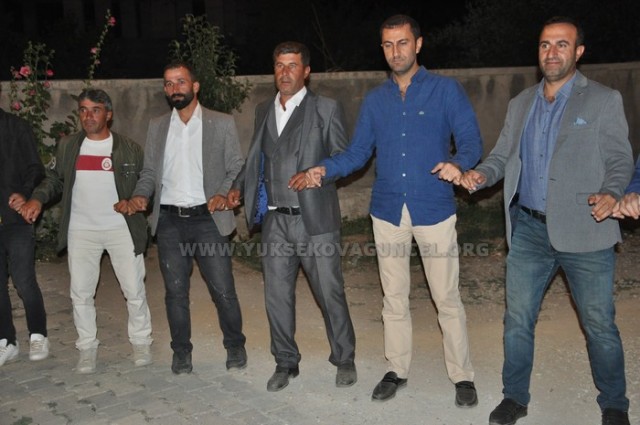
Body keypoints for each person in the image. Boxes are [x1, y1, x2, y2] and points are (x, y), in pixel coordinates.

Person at [458, 16, 632, 425]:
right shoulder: (521, 103)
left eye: (561, 44)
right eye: (544, 45)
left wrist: (612, 191)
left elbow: (619, 159)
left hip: (586, 227)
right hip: (529, 230)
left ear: (579, 52)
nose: (551, 52)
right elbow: (502, 156)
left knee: (599, 324)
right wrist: (480, 175)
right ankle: (514, 397)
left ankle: (614, 404)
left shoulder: (603, 100)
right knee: (517, 320)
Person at [302, 15, 481, 406]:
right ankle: (397, 369)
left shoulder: (445, 91)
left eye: (402, 43)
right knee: (394, 297)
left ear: (418, 44)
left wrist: (458, 164)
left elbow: (471, 141)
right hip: (387, 210)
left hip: (433, 207)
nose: (395, 51)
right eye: (388, 44)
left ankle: (462, 376)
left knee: (446, 297)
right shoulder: (375, 100)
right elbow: (357, 153)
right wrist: (324, 169)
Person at [227, 41, 357, 392]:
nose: (285, 72)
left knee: (329, 291)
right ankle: (285, 361)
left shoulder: (325, 108)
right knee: (277, 295)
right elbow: (255, 158)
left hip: (315, 219)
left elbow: (344, 157)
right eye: (279, 66)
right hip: (275, 220)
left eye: (292, 65)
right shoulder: (263, 110)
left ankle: (344, 358)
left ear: (306, 71)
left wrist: (319, 172)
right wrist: (237, 189)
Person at [121, 61, 247, 375]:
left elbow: (236, 166)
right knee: (175, 292)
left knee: (223, 289)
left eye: (180, 81)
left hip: (208, 220)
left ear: (195, 86)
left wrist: (222, 192)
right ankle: (181, 352)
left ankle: (235, 345)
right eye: (168, 83)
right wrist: (141, 195)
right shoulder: (158, 126)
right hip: (169, 222)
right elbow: (149, 172)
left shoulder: (221, 122)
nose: (174, 88)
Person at [20, 88, 153, 374]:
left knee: (134, 289)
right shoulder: (69, 146)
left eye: (95, 110)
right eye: (83, 110)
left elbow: (146, 181)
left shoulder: (129, 148)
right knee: (80, 293)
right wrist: (37, 199)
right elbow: (54, 179)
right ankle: (87, 347)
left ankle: (141, 342)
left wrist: (136, 200)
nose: (88, 116)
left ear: (108, 114)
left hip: (121, 228)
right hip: (81, 230)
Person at [0, 99, 49, 366]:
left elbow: (35, 168)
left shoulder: (16, 127)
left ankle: (38, 334)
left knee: (24, 281)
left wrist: (25, 193)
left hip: (16, 219)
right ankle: (6, 340)